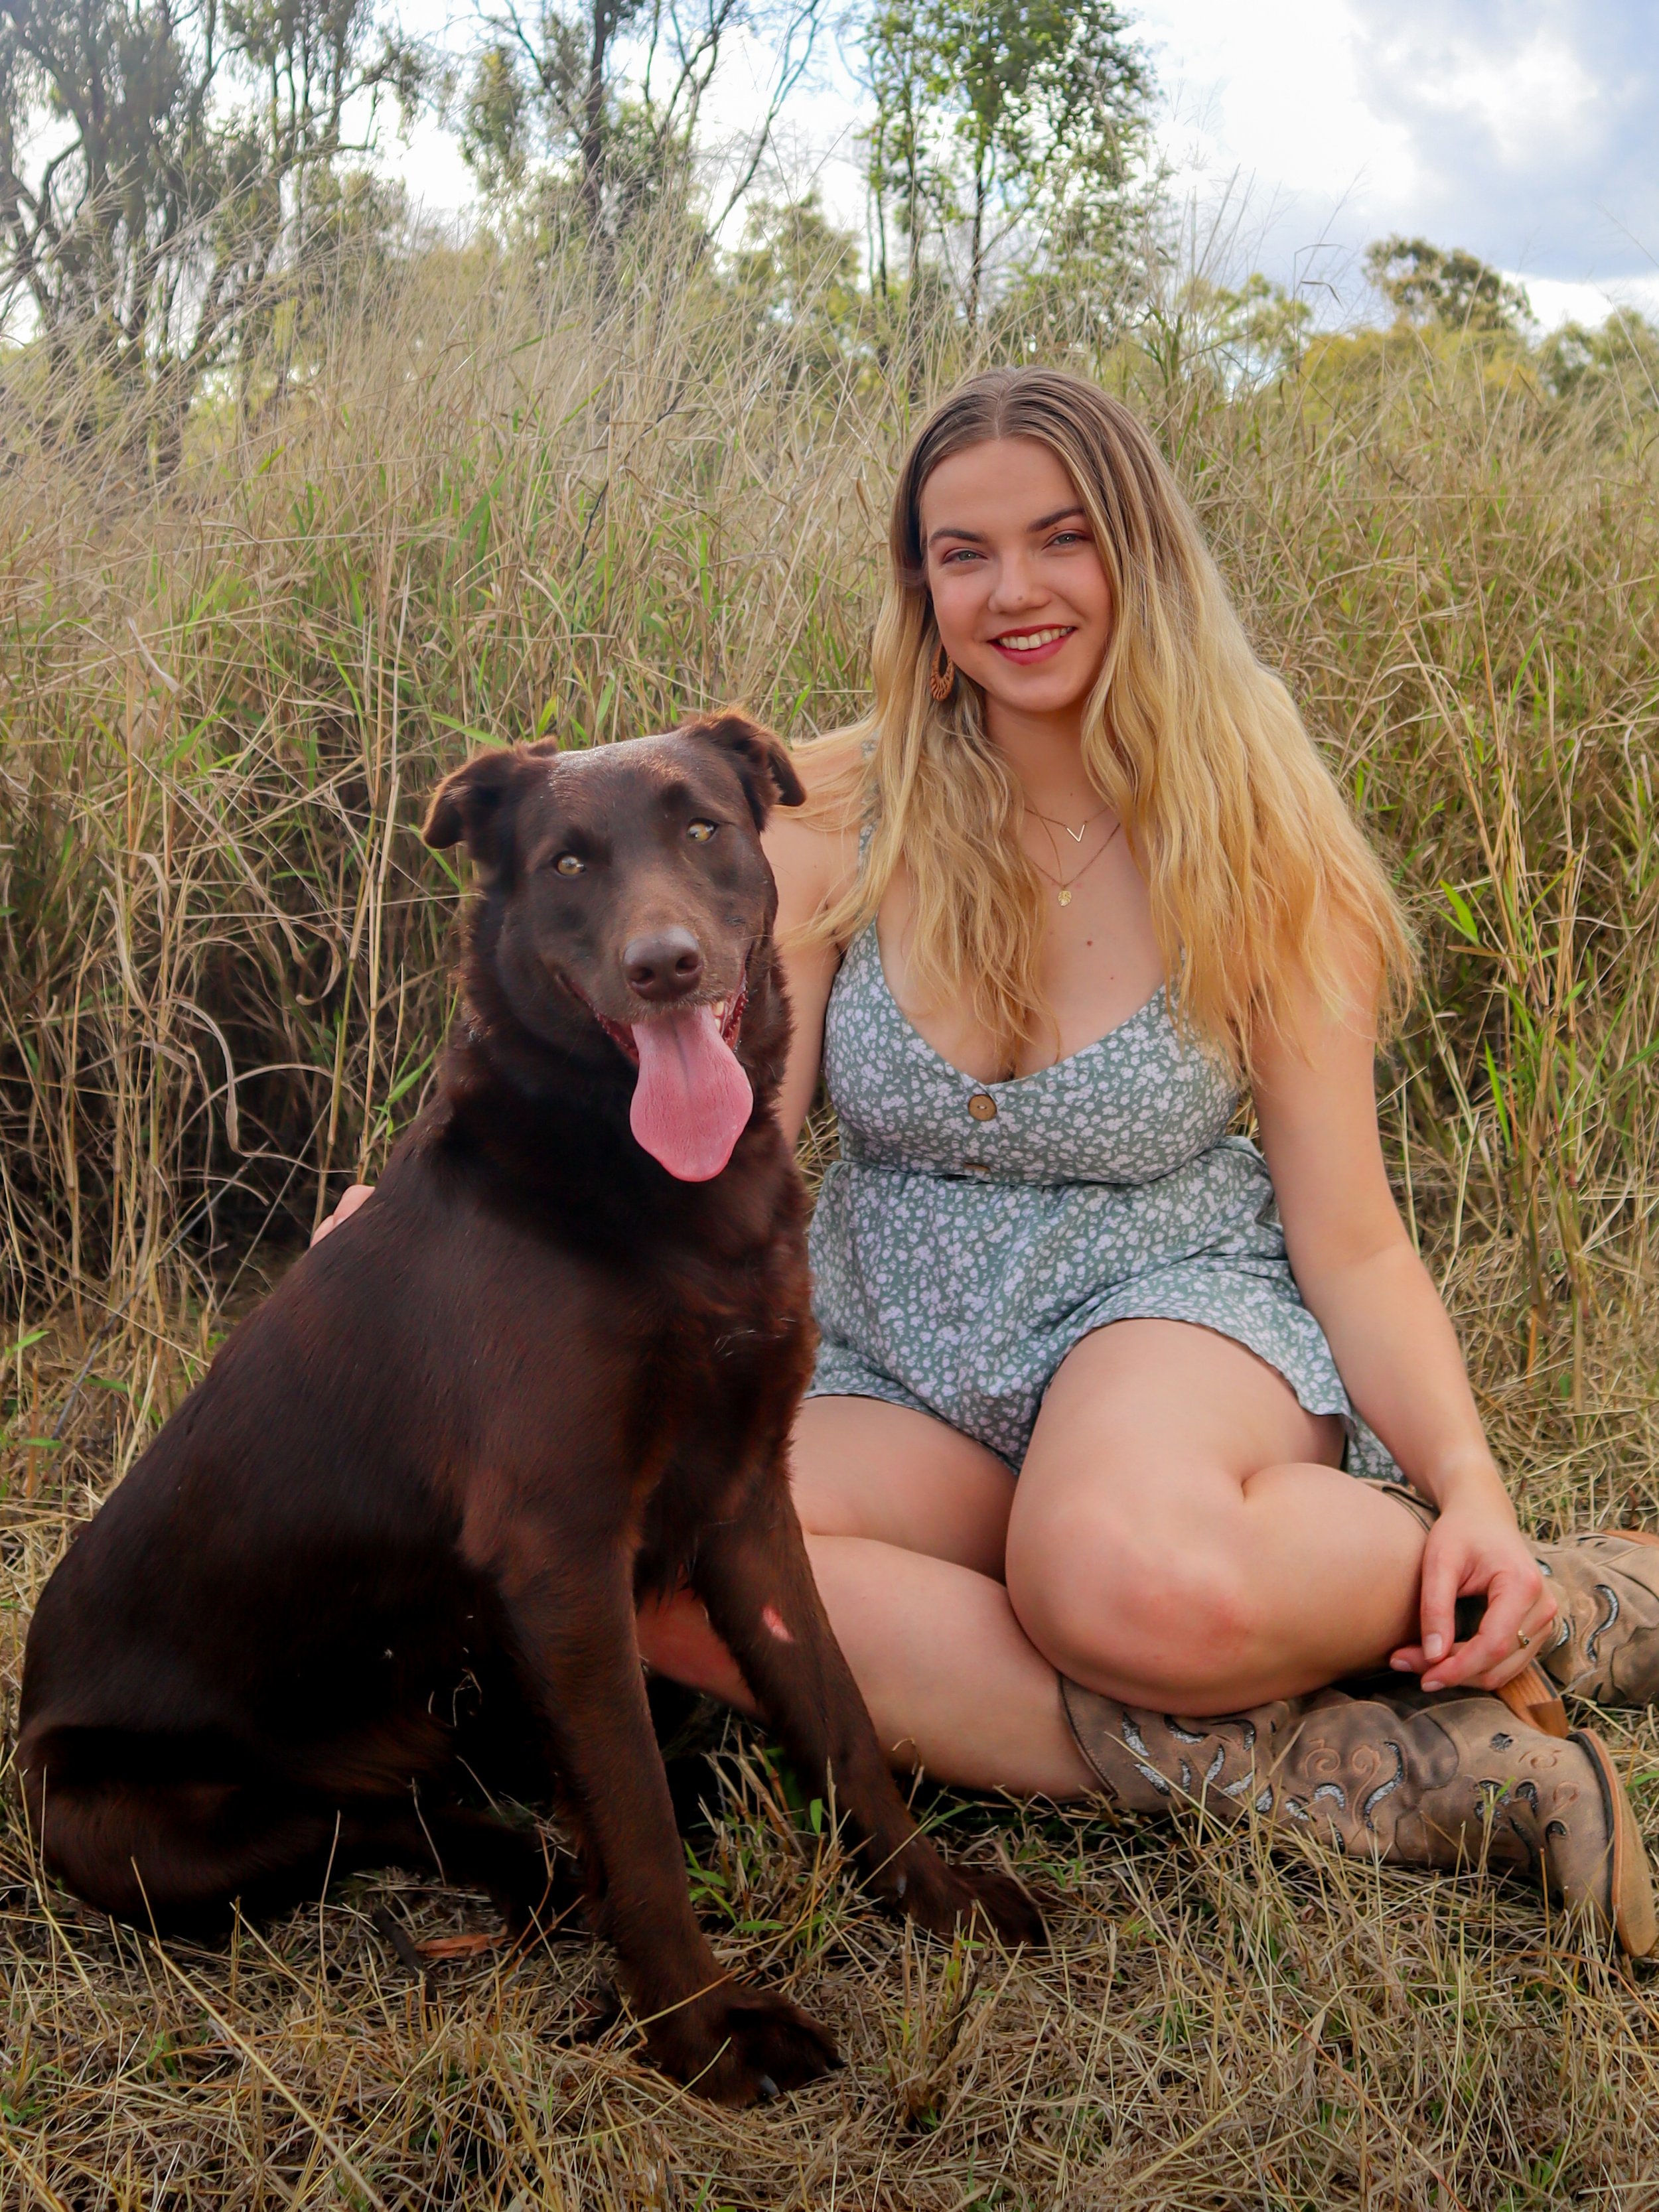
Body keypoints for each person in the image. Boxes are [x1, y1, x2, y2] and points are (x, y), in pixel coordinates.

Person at [321, 368, 1659, 1948]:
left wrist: (1470, 1482)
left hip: (1159, 1310)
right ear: (920, 584)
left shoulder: (1258, 842)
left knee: (1120, 1584)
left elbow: (1351, 1237)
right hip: (888, 1343)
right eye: (962, 553)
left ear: (1138, 551)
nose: (1012, 590)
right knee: (643, 1554)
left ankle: (1542, 1587)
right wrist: (438, 1237)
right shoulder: (823, 820)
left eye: (1059, 537)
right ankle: (1347, 1771)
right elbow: (712, 1140)